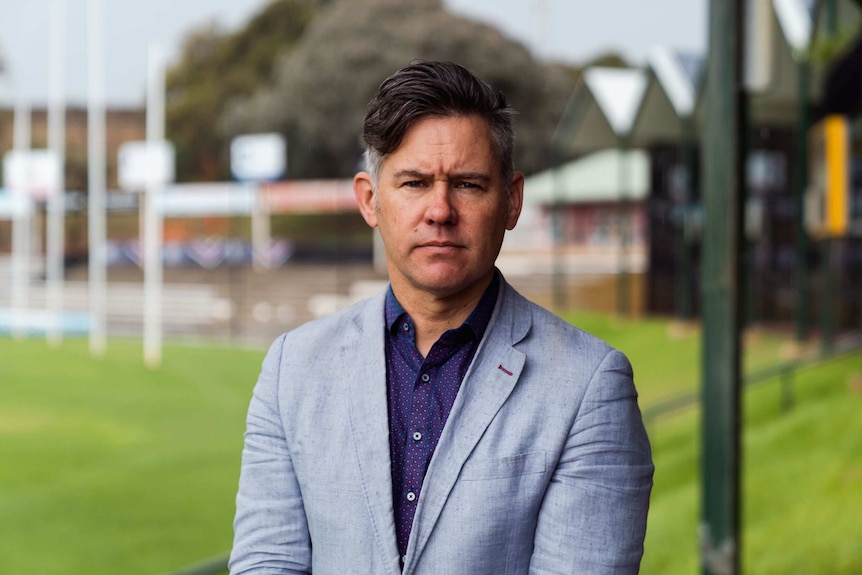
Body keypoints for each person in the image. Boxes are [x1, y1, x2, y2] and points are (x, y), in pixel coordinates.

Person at [229, 60, 653, 575]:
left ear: (512, 201)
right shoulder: (292, 367)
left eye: (469, 185)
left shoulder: (588, 385)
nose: (440, 210)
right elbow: (266, 562)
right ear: (370, 200)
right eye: (413, 183)